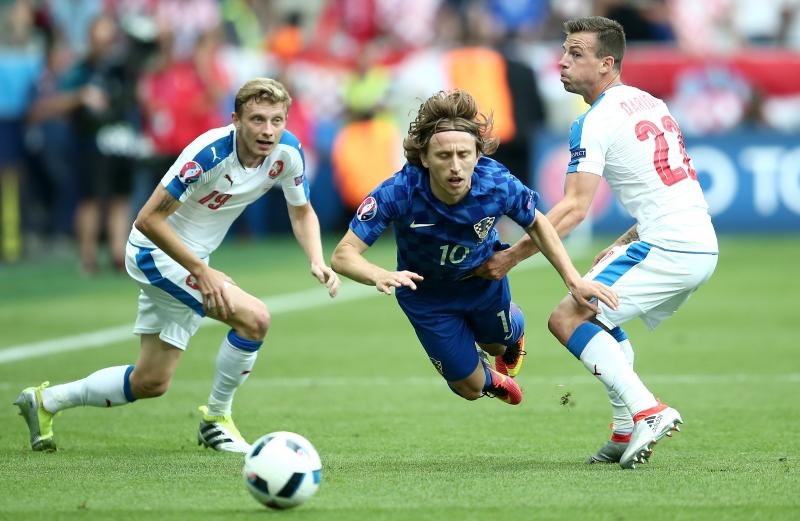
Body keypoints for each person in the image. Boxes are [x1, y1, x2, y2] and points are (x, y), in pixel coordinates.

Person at [14, 77, 341, 453]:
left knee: (151, 381)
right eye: (257, 120)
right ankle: (217, 420)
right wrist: (202, 273)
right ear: (236, 119)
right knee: (255, 319)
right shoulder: (208, 155)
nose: (268, 130)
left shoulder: (288, 153)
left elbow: (301, 212)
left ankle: (45, 402)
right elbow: (147, 220)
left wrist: (316, 258)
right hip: (155, 254)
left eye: (276, 120)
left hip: (192, 261)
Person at [475, 16, 719, 469]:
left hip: (670, 244)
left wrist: (509, 257)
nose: (562, 61)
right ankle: (625, 429)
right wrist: (626, 240)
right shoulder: (650, 103)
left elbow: (572, 209)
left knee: (567, 318)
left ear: (607, 64)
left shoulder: (595, 120)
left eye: (576, 54)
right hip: (696, 239)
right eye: (564, 51)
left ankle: (648, 409)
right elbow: (671, 187)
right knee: (599, 318)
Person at [330, 89, 617, 407]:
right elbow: (343, 254)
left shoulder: (496, 184)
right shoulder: (398, 192)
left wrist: (572, 279)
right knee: (469, 390)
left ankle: (513, 329)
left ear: (478, 154)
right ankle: (491, 379)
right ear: (424, 157)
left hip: (482, 281)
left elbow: (536, 222)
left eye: (464, 155)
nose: (455, 166)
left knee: (497, 346)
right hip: (427, 297)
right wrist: (377, 274)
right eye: (443, 156)